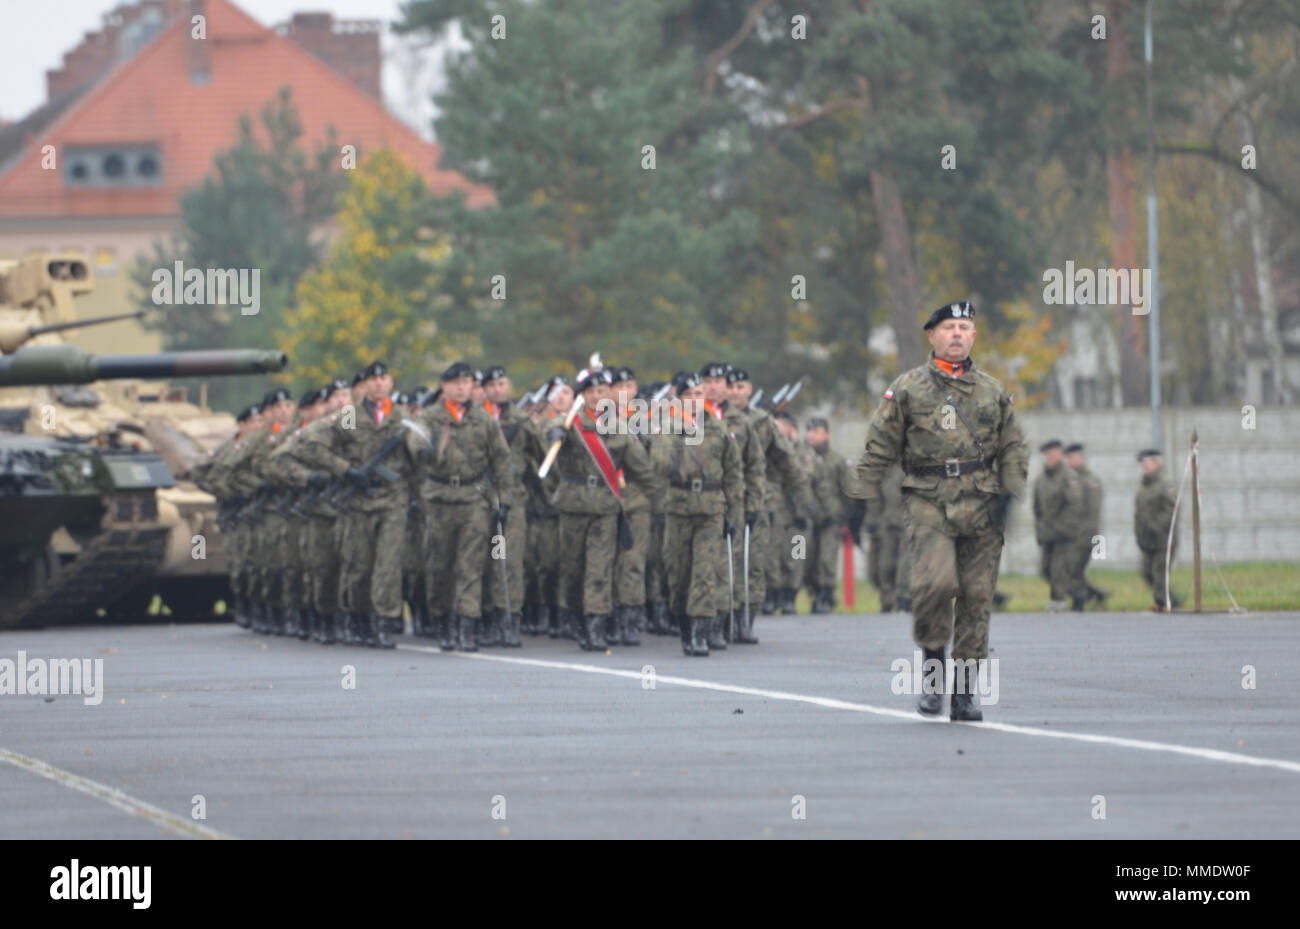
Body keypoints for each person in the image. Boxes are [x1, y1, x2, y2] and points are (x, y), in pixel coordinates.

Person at [855, 300, 1028, 721]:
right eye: (948, 327)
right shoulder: (909, 388)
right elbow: (880, 445)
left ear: (973, 336)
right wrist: (859, 497)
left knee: (976, 597)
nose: (956, 334)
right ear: (932, 336)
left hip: (981, 502)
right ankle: (933, 669)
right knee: (934, 584)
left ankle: (965, 693)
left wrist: (1011, 491)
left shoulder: (993, 390)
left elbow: (1014, 446)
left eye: (964, 327)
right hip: (928, 498)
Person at [546, 368, 656, 650]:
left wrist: (661, 498)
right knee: (573, 568)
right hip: (573, 504)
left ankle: (595, 627)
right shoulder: (570, 423)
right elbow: (549, 429)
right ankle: (574, 617)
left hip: (605, 507)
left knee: (599, 568)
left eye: (602, 392)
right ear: (583, 396)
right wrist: (555, 433)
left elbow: (642, 469)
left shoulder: (618, 427)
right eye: (592, 392)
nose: (598, 397)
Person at [417, 362, 514, 651]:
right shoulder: (429, 417)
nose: (462, 388)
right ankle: (444, 621)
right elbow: (414, 450)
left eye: (467, 382)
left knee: (470, 566)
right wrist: (428, 447)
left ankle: (466, 626)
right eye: (455, 382)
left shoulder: (483, 419)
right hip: (439, 498)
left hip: (473, 498)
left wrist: (504, 499)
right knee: (440, 564)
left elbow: (501, 460)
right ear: (444, 386)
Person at [651, 373, 743, 655]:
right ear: (679, 399)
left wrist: (736, 514)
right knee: (678, 574)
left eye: (699, 394)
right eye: (689, 395)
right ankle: (684, 629)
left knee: (704, 573)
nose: (694, 400)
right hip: (678, 507)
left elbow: (734, 474)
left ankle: (699, 633)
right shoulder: (667, 428)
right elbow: (659, 464)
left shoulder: (718, 428)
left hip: (710, 509)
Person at [1032, 439, 1084, 612]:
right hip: (1047, 533)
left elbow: (1075, 505)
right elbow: (1037, 507)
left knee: (1058, 570)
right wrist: (1039, 529)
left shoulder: (1069, 476)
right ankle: (1077, 593)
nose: (1049, 457)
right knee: (1044, 569)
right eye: (1046, 454)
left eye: (1052, 453)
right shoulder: (1041, 478)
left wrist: (1064, 528)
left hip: (1063, 533)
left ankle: (1058, 601)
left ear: (1060, 454)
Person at [1134, 448, 1179, 611]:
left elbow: (1172, 509)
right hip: (1147, 539)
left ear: (1157, 463)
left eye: (1148, 462)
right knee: (1146, 572)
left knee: (1159, 573)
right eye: (1143, 463)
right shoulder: (1144, 486)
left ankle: (1163, 603)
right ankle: (1172, 599)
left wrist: (1156, 526)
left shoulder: (1164, 484)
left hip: (1163, 538)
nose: (1144, 466)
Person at [1065, 443, 1107, 610]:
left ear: (1082, 459)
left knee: (1072, 571)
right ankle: (1095, 595)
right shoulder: (1070, 480)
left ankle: (1079, 602)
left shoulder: (1091, 481)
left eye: (1073, 457)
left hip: (1084, 536)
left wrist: (1084, 537)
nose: (1069, 461)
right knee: (1070, 571)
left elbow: (1092, 514)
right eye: (1068, 457)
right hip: (1070, 536)